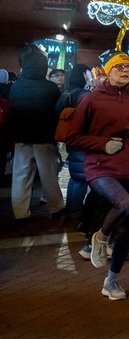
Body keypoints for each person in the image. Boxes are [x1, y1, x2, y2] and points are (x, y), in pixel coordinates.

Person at [64, 50, 129, 300]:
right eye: (120, 67)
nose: (126, 71)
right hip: (100, 166)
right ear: (108, 70)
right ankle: (101, 236)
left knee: (127, 229)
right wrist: (102, 144)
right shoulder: (91, 99)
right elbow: (71, 137)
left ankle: (112, 281)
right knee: (124, 203)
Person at [9, 44, 65, 220]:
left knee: (20, 175)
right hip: (44, 138)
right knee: (48, 175)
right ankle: (56, 207)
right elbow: (56, 113)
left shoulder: (16, 86)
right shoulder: (51, 88)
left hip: (21, 137)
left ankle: (20, 213)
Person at [56, 63, 94, 221]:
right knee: (81, 177)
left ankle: (71, 209)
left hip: (71, 139)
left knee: (75, 176)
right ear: (84, 75)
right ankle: (75, 212)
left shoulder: (67, 92)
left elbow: (57, 110)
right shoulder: (85, 94)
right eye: (89, 73)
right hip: (82, 139)